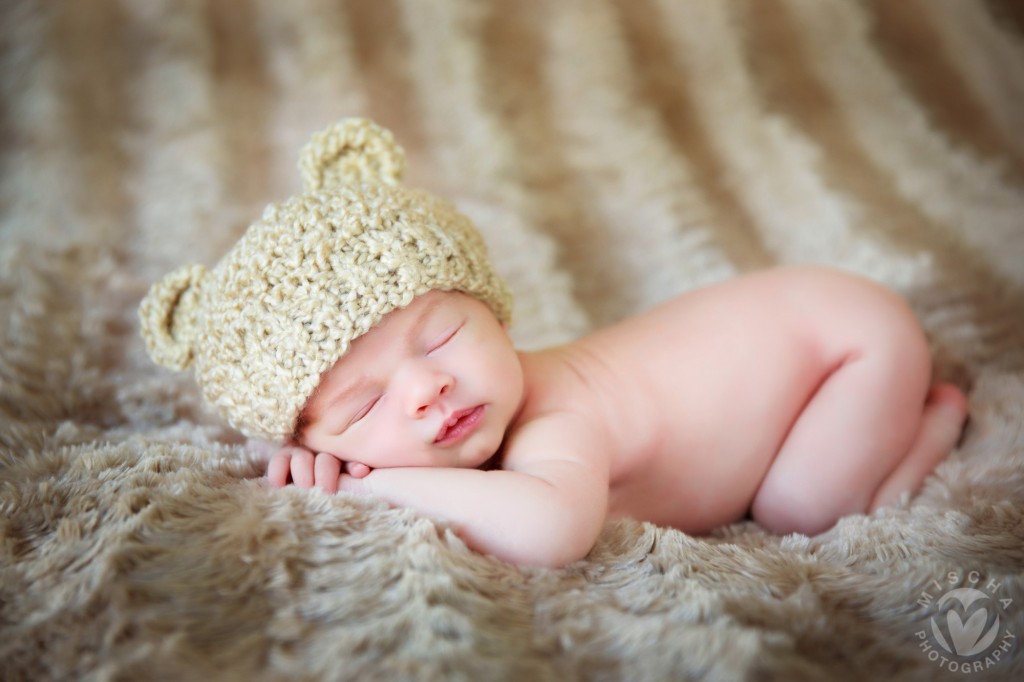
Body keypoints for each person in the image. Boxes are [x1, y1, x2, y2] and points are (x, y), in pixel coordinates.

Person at [139, 119, 968, 568]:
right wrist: (308, 461)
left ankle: (931, 422)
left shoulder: (556, 420)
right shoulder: (450, 425)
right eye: (363, 406)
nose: (425, 390)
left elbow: (548, 532)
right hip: (801, 320)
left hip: (847, 342)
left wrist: (367, 484)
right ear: (306, 436)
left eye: (444, 336)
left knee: (803, 508)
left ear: (497, 313)